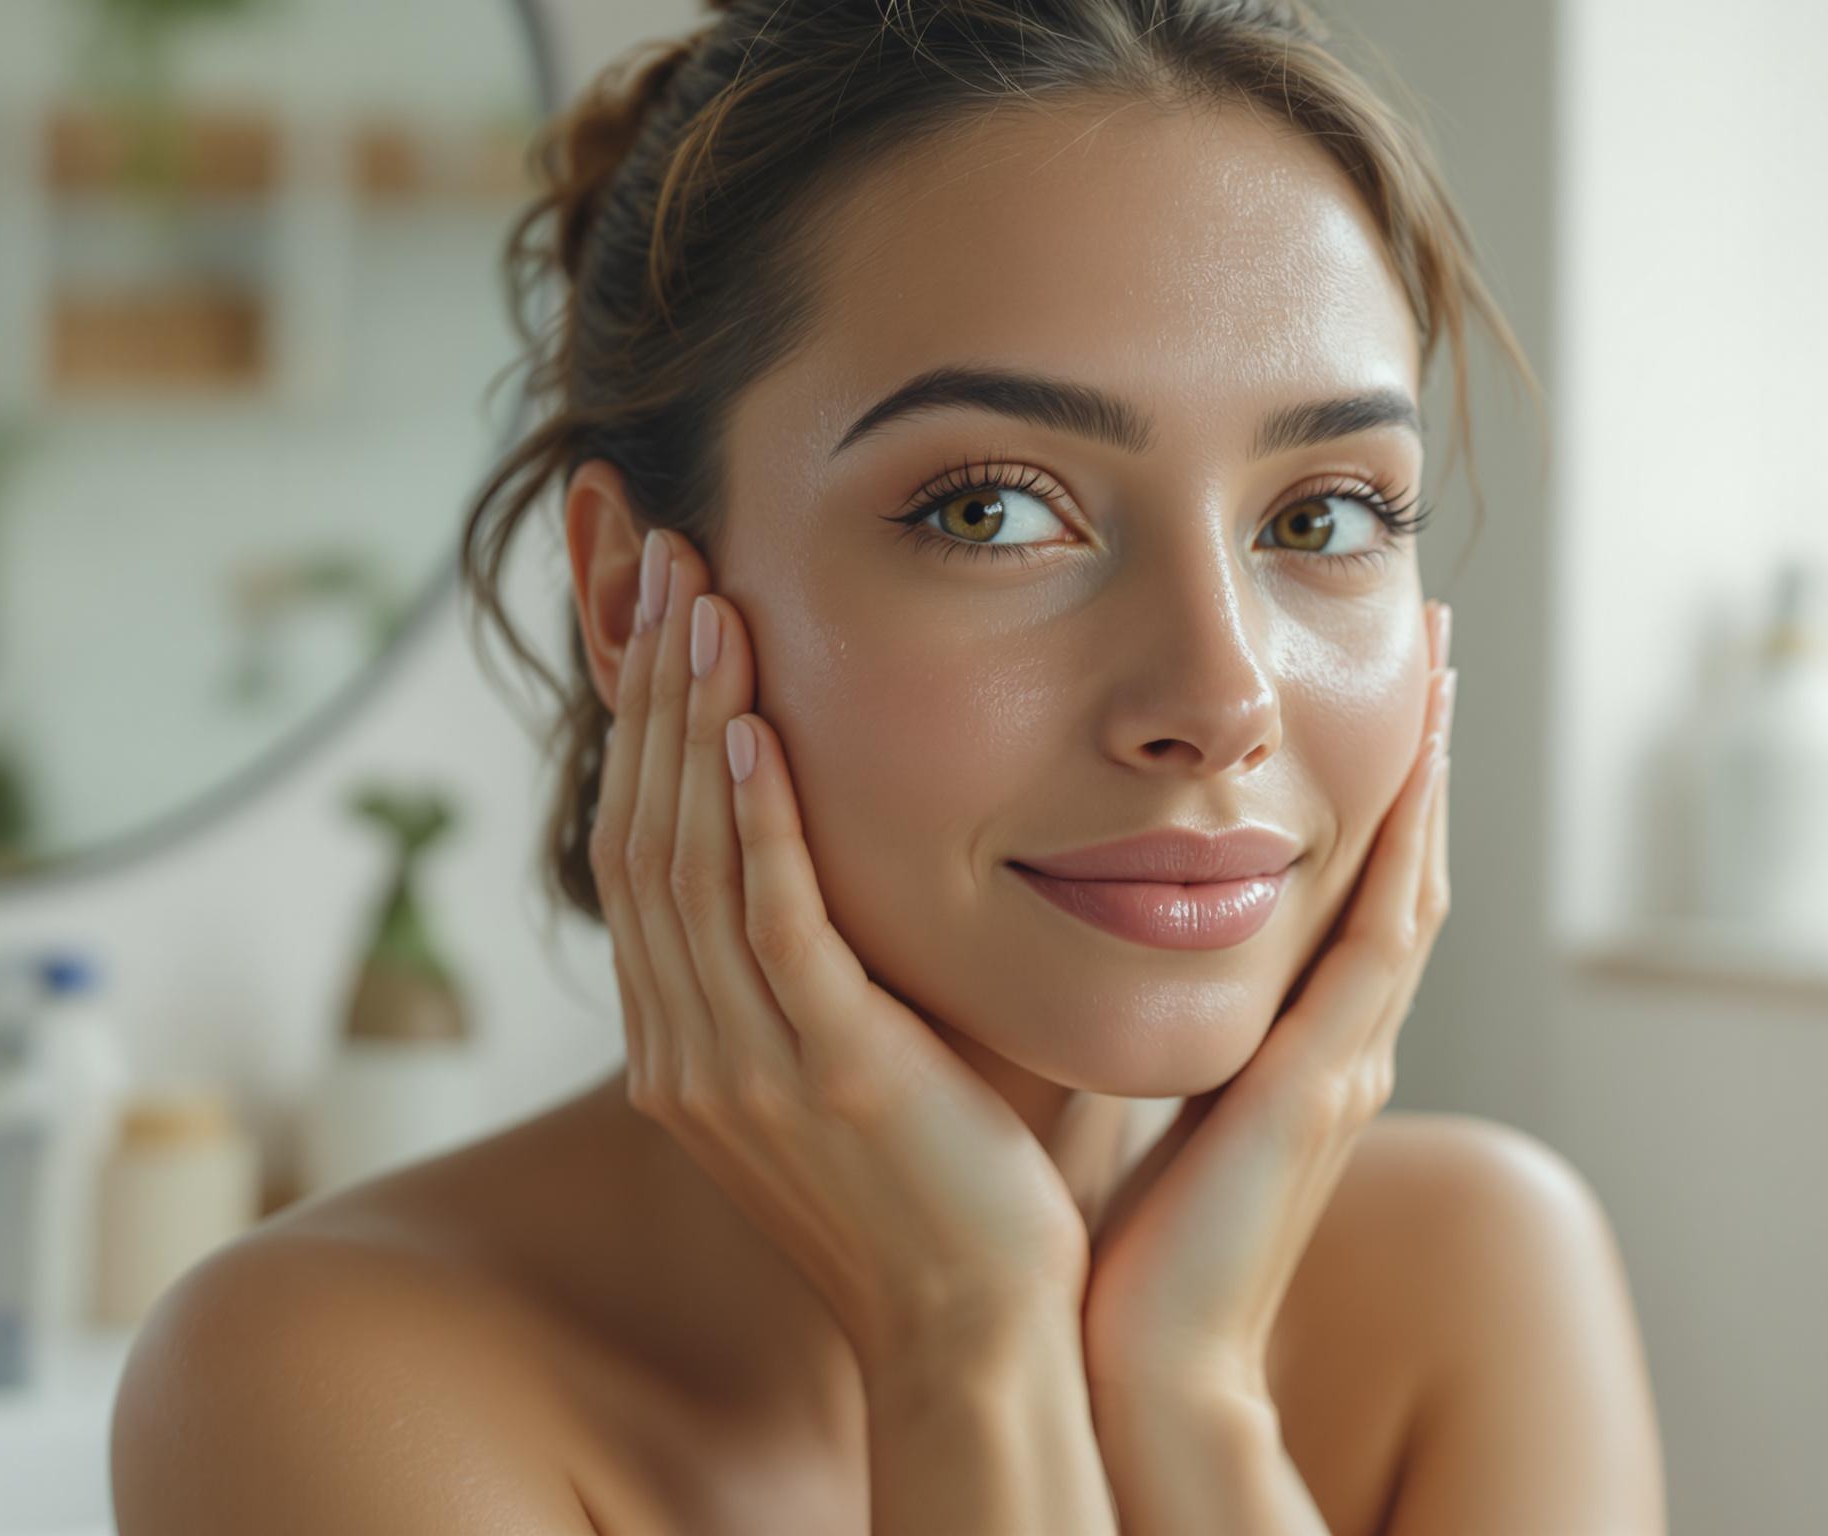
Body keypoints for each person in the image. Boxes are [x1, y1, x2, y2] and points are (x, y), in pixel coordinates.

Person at [110, 1, 1663, 1530]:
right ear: (626, 593)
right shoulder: (329, 1386)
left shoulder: (1478, 1282)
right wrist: (967, 1348)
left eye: (1322, 517)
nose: (1221, 694)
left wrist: (1189, 1400)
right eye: (992, 510)